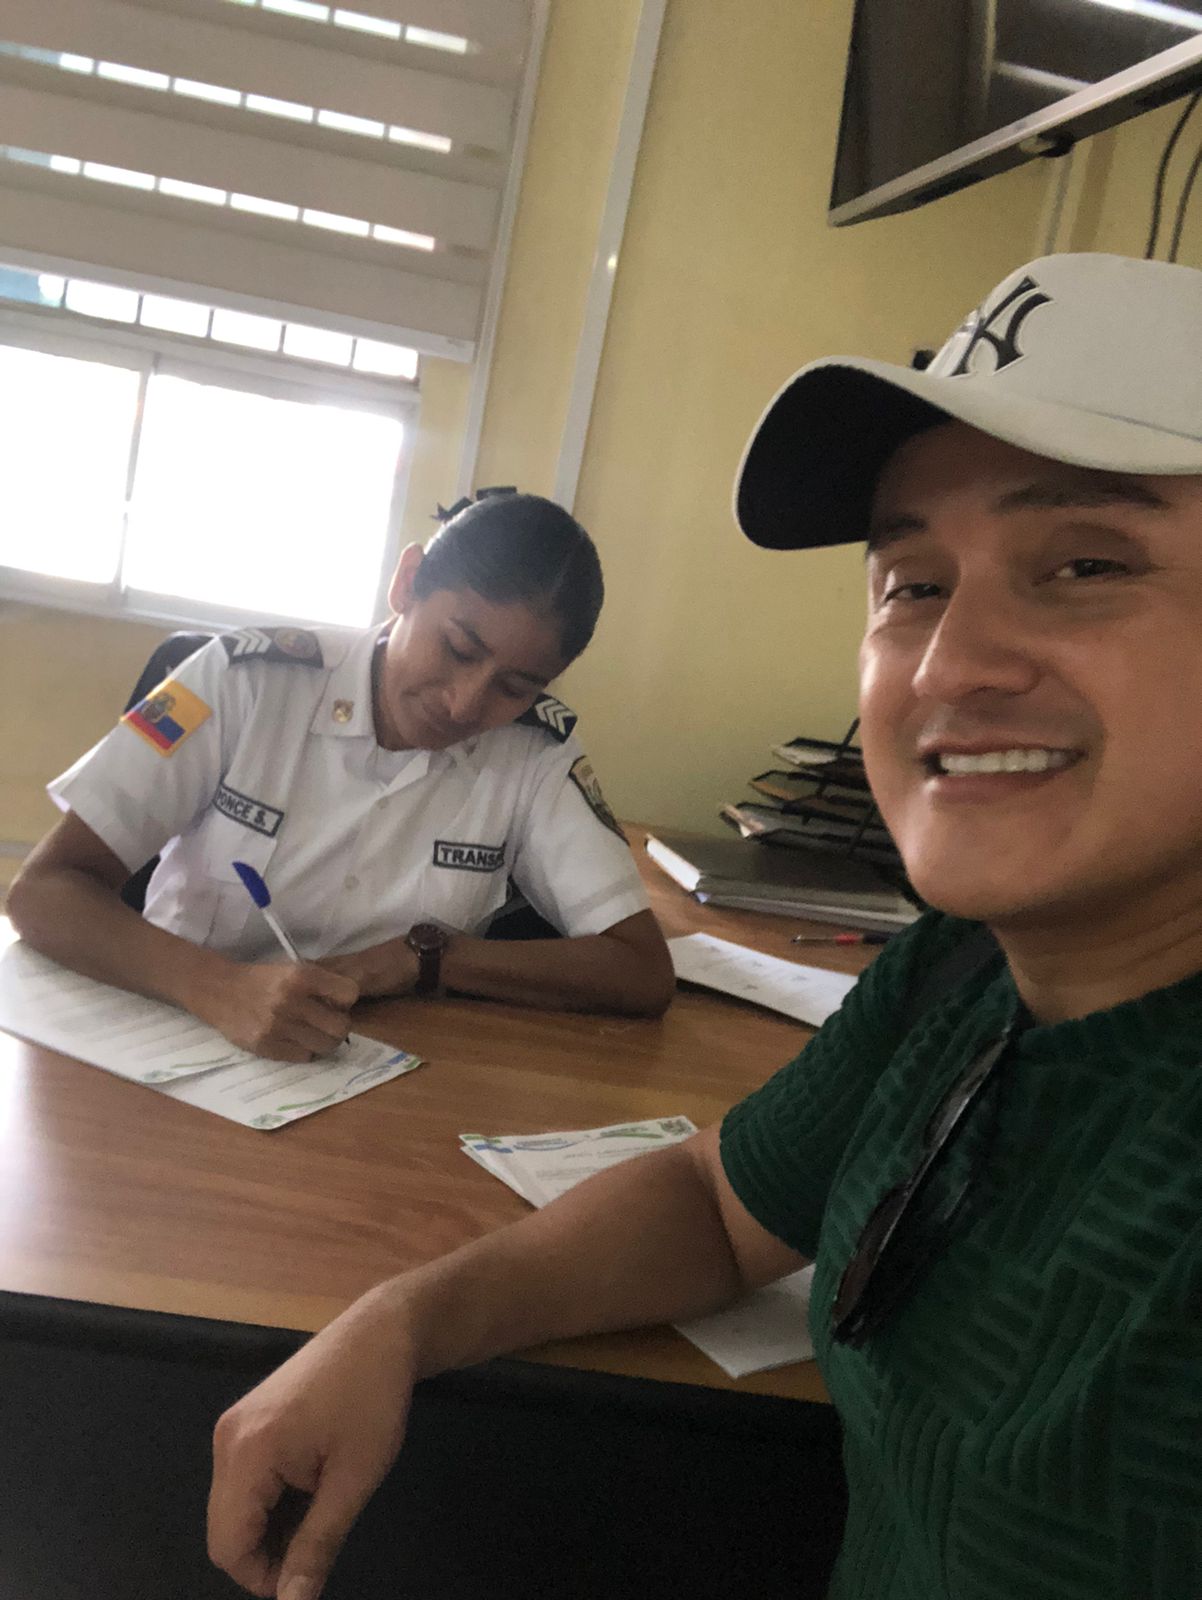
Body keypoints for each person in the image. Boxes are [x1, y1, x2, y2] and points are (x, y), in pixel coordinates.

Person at [206, 252, 1202, 1600]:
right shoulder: (957, 977)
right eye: (910, 582)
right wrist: (405, 1315)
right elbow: (715, 1206)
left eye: (1083, 564)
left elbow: (627, 966)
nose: (945, 664)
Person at [8, 492, 675, 1057]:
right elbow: (43, 891)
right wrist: (220, 988)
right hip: (173, 1036)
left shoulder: (533, 751)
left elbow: (640, 968)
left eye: (516, 686)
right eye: (457, 648)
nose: (466, 704)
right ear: (406, 582)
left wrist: (428, 956)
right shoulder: (242, 681)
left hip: (372, 1070)